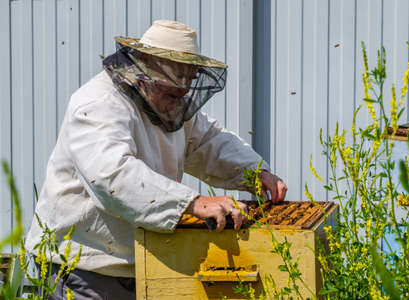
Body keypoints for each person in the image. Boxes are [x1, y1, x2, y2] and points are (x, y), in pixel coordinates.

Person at [25, 20, 287, 299]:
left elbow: (208, 140)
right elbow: (112, 176)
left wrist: (254, 172)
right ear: (145, 68)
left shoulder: (166, 104)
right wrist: (193, 203)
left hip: (139, 262)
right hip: (83, 266)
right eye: (174, 88)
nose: (182, 93)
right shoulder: (98, 104)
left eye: (188, 83)